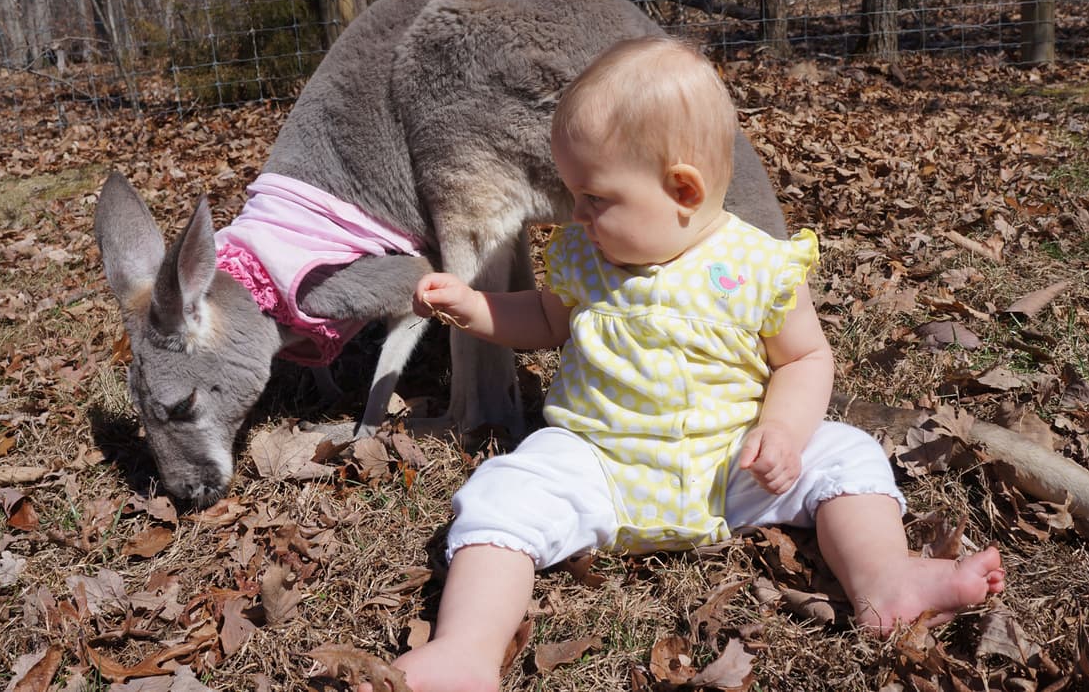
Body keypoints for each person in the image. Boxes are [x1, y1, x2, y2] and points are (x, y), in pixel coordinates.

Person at [379, 37, 1004, 692]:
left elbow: (806, 358)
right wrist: (475, 306)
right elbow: (542, 322)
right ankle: (467, 650)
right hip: (596, 463)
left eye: (593, 197)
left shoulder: (760, 268)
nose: (577, 214)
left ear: (682, 189)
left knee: (847, 456)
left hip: (732, 464)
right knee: (503, 490)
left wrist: (785, 434)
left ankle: (886, 577)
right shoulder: (582, 258)